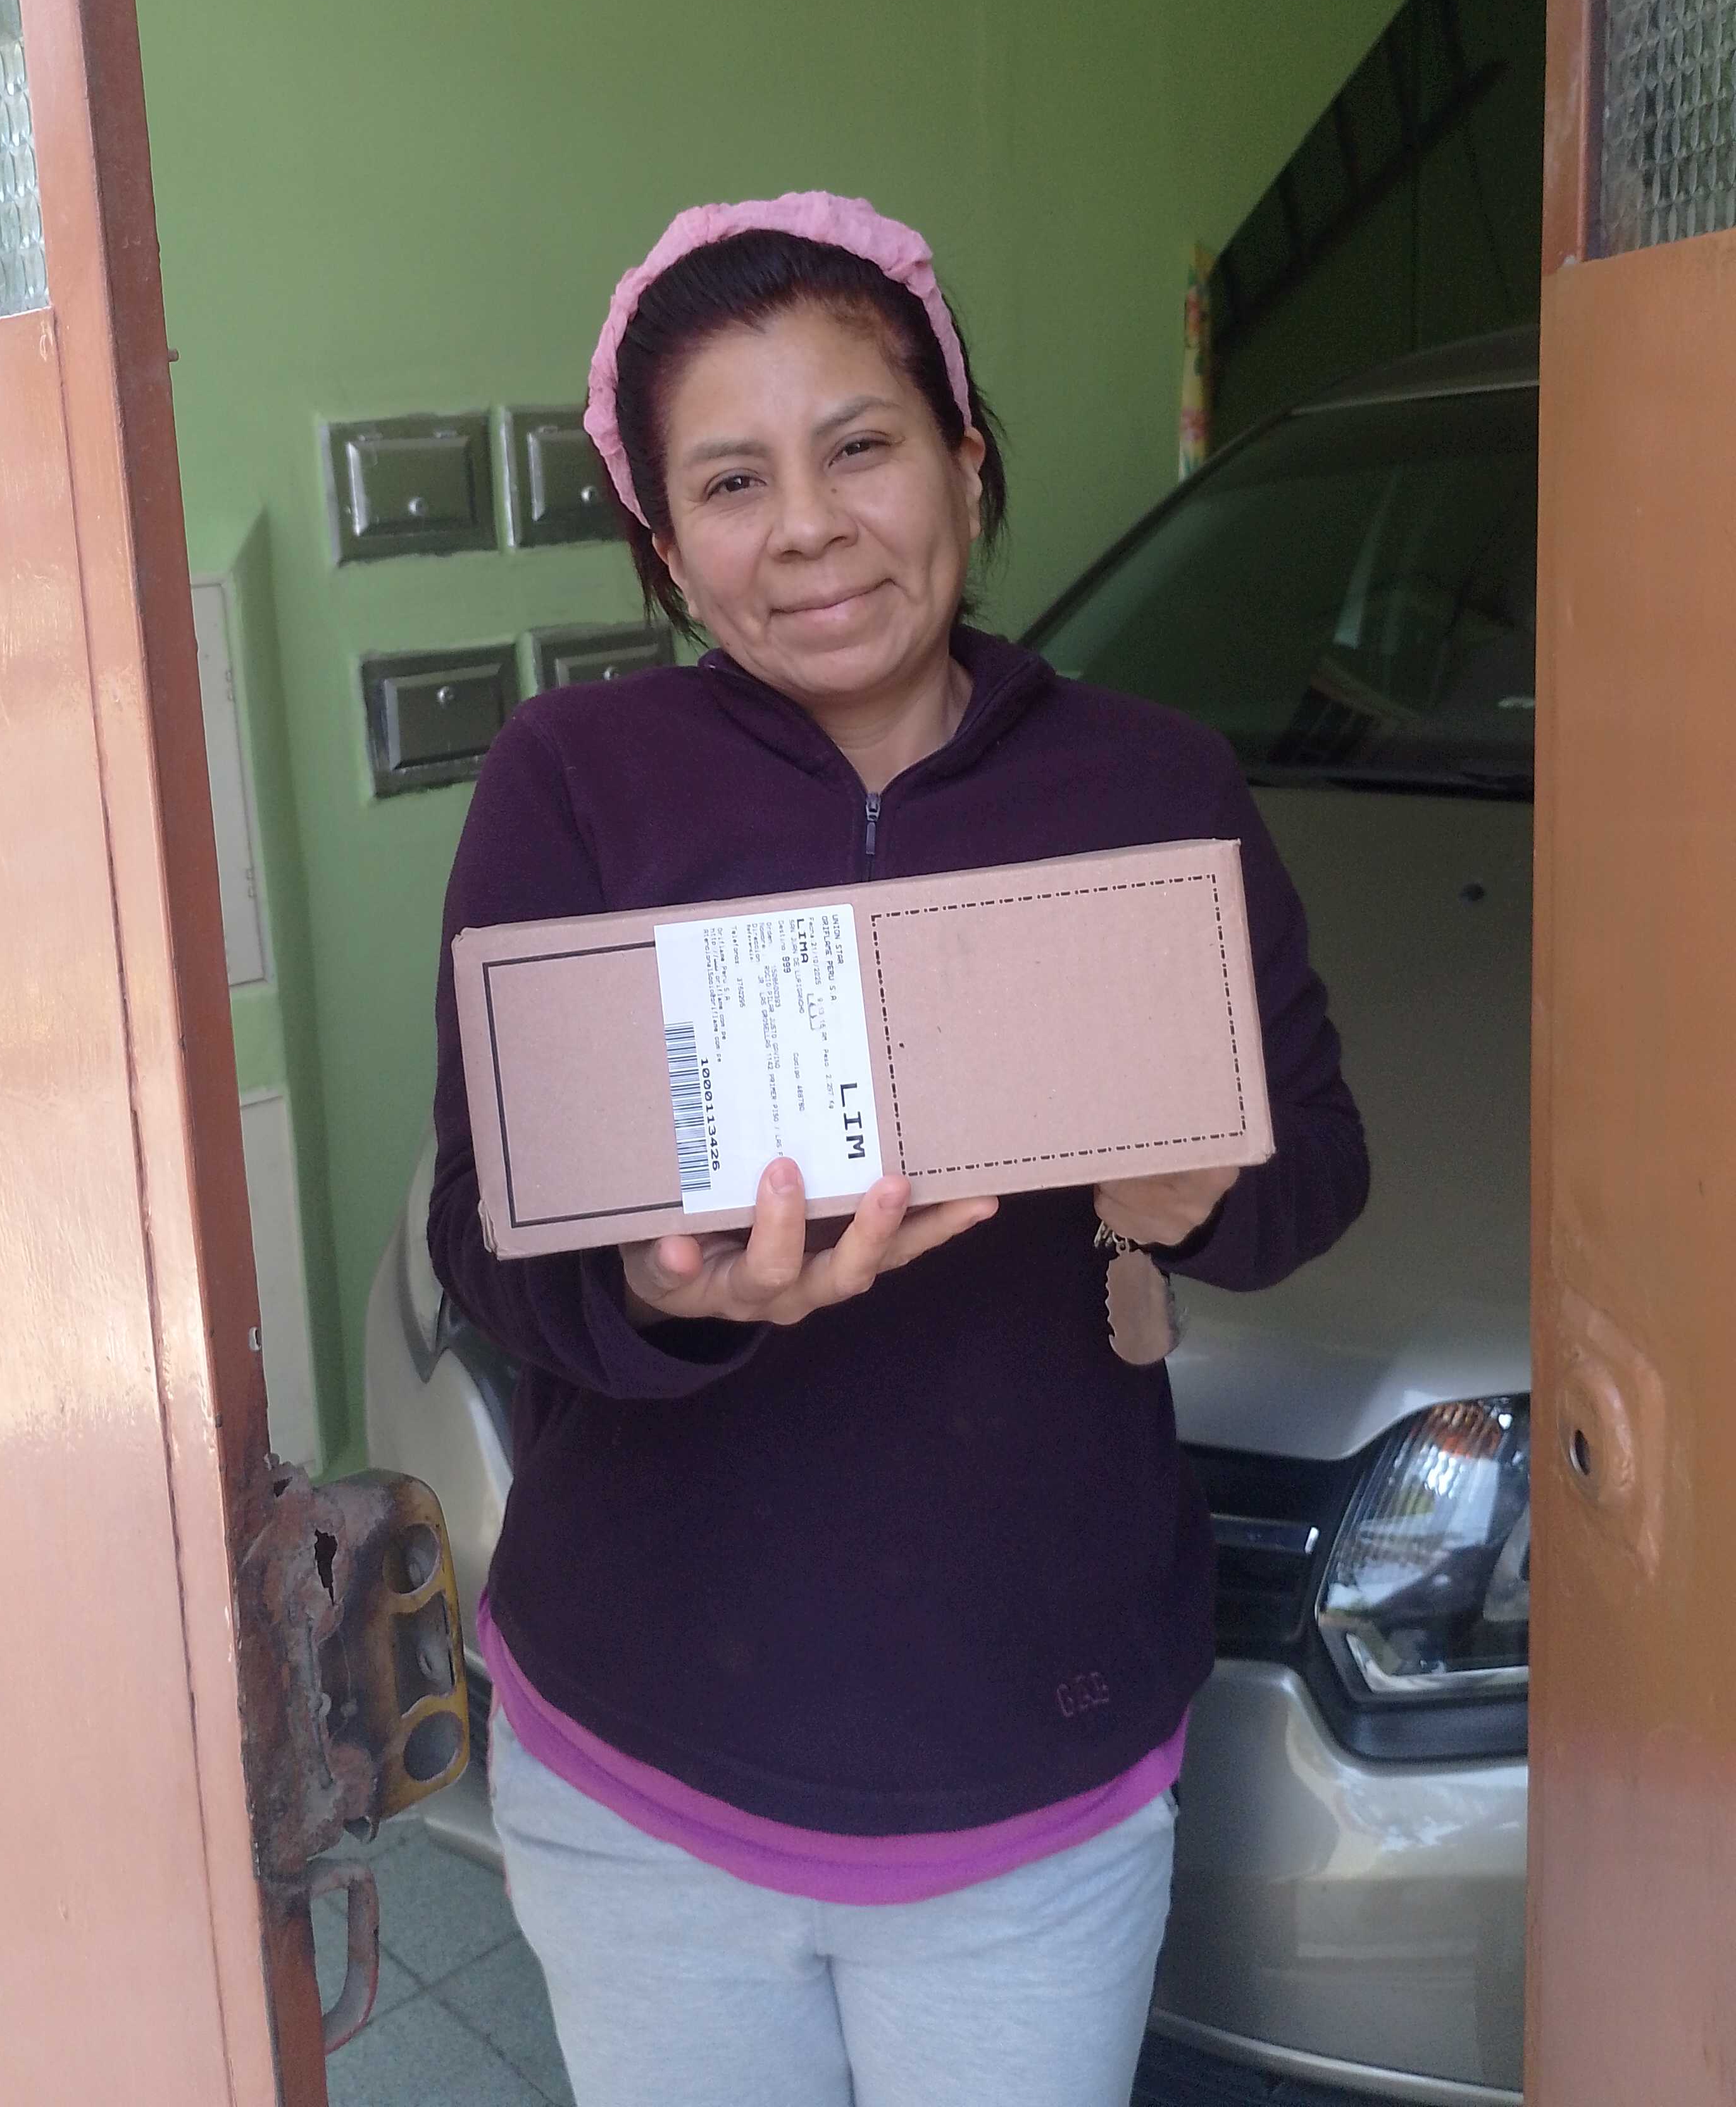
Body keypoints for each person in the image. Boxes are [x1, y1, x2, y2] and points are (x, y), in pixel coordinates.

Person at [426, 191, 1368, 2107]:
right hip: (641, 1773)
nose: (808, 526)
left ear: (966, 457)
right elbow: (480, 1234)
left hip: (1033, 1779)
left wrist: (1203, 1200)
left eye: (860, 444)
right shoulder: (575, 784)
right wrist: (668, 1302)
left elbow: (1315, 1171)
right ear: (668, 547)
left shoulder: (1147, 781)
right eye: (731, 483)